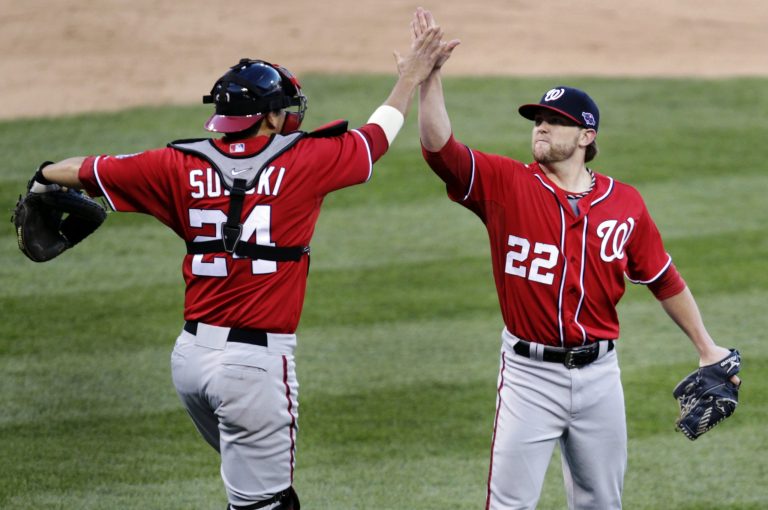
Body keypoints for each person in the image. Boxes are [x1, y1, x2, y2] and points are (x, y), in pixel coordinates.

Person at [28, 19, 445, 510]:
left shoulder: (174, 164)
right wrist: (409, 79)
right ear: (266, 118)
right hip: (253, 368)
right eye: (282, 111)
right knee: (266, 503)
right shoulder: (305, 160)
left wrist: (40, 180)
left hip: (189, 360)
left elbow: (84, 169)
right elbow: (376, 137)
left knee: (250, 488)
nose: (288, 118)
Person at [411, 8, 740, 510]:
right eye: (538, 120)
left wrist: (707, 347)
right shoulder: (507, 184)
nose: (541, 127)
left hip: (600, 378)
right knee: (508, 505)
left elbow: (662, 277)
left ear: (586, 137)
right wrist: (429, 79)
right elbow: (440, 150)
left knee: (601, 504)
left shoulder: (625, 202)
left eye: (555, 122)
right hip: (528, 377)